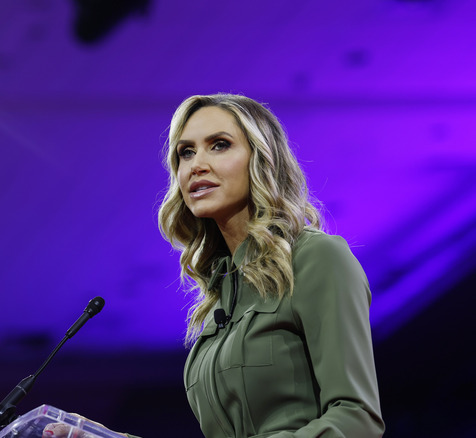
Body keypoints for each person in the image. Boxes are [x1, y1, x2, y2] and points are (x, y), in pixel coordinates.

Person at [46, 93, 385, 437]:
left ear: (262, 158)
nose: (196, 165)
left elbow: (356, 419)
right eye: (186, 152)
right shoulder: (220, 293)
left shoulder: (316, 258)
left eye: (219, 145)